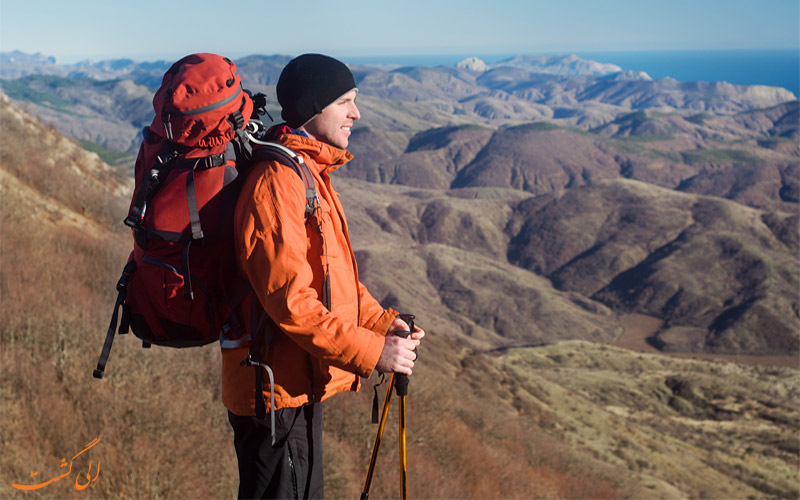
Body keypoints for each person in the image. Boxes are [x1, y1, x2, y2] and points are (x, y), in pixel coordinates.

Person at [221, 53, 424, 499]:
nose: (356, 113)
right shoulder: (277, 183)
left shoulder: (306, 172)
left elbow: (332, 280)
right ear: (314, 107)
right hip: (274, 397)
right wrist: (375, 353)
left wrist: (378, 323)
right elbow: (293, 303)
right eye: (345, 102)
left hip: (295, 387)